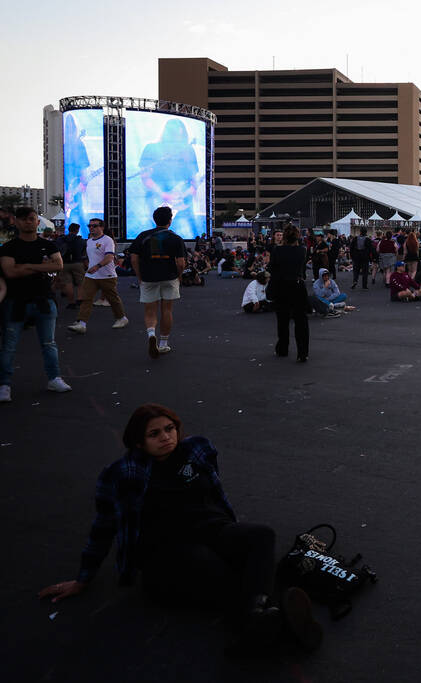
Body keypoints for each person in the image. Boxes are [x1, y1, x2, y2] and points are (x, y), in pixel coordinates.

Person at [37, 404, 323, 653]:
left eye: (170, 428)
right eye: (154, 434)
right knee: (217, 568)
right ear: (138, 442)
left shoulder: (196, 451)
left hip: (212, 529)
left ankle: (257, 620)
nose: (166, 437)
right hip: (167, 549)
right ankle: (270, 620)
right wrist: (83, 579)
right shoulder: (122, 474)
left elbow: (216, 495)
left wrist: (231, 532)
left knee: (263, 535)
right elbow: (103, 527)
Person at [0, 207, 73, 401]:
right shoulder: (8, 248)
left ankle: (54, 378)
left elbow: (58, 265)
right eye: (23, 219)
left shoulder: (49, 246)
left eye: (31, 219)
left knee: (49, 343)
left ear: (37, 221)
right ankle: (4, 385)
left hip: (44, 300)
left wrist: (28, 266)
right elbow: (10, 272)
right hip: (15, 301)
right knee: (9, 346)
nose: (28, 222)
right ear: (16, 222)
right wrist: (41, 267)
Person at [128, 207, 186, 358]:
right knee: (167, 310)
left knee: (150, 310)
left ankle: (151, 334)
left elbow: (134, 258)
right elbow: (181, 263)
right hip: (170, 276)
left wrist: (139, 276)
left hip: (148, 277)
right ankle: (163, 343)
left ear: (154, 219)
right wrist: (179, 276)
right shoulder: (176, 238)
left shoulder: (143, 236)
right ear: (170, 220)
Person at [138, 118, 201, 238]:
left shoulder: (188, 150)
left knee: (188, 233)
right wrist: (163, 194)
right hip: (158, 199)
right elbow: (145, 177)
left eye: (179, 135)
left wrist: (185, 194)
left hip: (183, 203)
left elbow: (194, 181)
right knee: (154, 235)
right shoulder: (151, 148)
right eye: (173, 134)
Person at [67, 218, 129, 334]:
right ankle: (82, 323)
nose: (91, 228)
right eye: (89, 226)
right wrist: (88, 265)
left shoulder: (107, 240)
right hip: (92, 276)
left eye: (94, 226)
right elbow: (89, 256)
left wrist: (97, 266)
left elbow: (109, 257)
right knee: (86, 299)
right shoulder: (89, 241)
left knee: (113, 299)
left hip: (107, 275)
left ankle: (121, 318)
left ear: (102, 227)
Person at [268, 225, 310, 362]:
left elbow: (272, 269)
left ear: (284, 236)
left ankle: (282, 348)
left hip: (281, 286)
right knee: (301, 321)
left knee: (282, 320)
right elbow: (302, 271)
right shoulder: (302, 250)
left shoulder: (277, 250)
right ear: (297, 236)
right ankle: (302, 352)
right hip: (297, 286)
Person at [55, 223, 87, 309]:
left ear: (69, 229)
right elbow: (84, 252)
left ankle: (71, 302)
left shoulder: (61, 239)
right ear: (77, 230)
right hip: (77, 263)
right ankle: (80, 299)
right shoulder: (81, 240)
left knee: (67, 283)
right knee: (81, 282)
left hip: (64, 263)